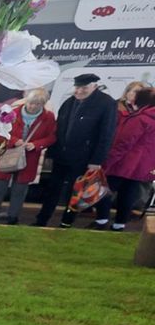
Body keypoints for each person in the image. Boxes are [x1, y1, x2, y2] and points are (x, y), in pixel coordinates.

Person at [33, 73, 118, 228]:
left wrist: (96, 161)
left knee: (75, 193)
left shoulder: (106, 104)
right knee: (53, 190)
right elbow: (59, 129)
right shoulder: (69, 102)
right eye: (77, 87)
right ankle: (41, 220)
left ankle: (66, 222)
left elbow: (107, 134)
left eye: (84, 88)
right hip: (61, 155)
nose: (79, 91)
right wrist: (52, 152)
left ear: (94, 86)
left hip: (84, 158)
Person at [0, 89, 55, 225]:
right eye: (31, 103)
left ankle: (13, 218)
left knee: (19, 190)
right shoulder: (10, 113)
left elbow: (51, 137)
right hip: (6, 156)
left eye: (37, 104)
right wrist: (13, 140)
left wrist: (36, 144)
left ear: (43, 105)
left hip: (29, 158)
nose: (32, 107)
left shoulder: (48, 117)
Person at [94, 89, 155, 232]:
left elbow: (123, 143)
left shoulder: (140, 119)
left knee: (103, 190)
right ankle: (119, 225)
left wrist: (107, 162)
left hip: (123, 164)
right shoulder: (147, 118)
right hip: (141, 167)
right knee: (128, 195)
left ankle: (102, 221)